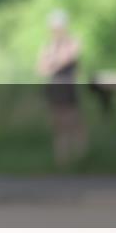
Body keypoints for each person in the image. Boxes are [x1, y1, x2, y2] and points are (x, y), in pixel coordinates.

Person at [37, 9, 87, 165]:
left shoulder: (72, 42)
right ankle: (62, 160)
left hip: (68, 85)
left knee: (74, 121)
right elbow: (41, 68)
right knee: (58, 124)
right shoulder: (49, 46)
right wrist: (52, 60)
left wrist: (52, 60)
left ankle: (81, 157)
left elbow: (66, 59)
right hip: (55, 86)